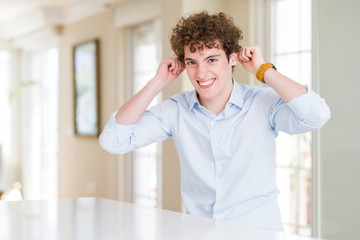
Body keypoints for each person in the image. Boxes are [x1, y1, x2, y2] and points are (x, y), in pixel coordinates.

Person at [99, 11, 330, 231]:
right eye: (191, 62)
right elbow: (113, 141)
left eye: (211, 59)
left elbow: (316, 115)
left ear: (232, 58)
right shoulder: (176, 110)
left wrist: (263, 70)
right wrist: (158, 81)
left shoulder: (262, 104)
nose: (201, 72)